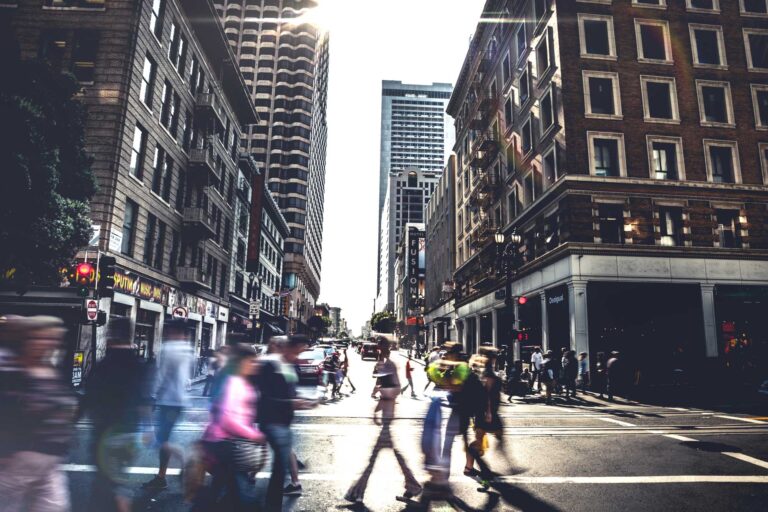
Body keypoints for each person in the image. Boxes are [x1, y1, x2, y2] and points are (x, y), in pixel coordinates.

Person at [0, 316, 77, 512]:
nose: (50, 344)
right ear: (26, 340)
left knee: (55, 507)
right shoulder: (12, 371)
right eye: (43, 338)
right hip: (20, 461)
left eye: (54, 339)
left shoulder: (51, 369)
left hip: (50, 460)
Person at [82, 317, 152, 512]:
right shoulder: (139, 364)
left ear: (110, 335)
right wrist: (148, 428)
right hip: (129, 431)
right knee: (115, 478)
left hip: (105, 432)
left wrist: (74, 420)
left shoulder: (103, 364)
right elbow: (144, 399)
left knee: (109, 483)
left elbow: (89, 396)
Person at [345, 339, 421, 504]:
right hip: (386, 414)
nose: (377, 350)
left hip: (388, 414)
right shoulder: (384, 364)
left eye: (380, 347)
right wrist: (377, 402)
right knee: (389, 454)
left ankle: (357, 492)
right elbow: (382, 385)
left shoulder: (389, 365)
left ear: (383, 348)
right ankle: (412, 485)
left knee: (375, 457)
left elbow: (395, 388)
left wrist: (379, 401)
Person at [195, 344, 265, 511]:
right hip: (226, 443)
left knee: (221, 490)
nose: (255, 365)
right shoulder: (234, 382)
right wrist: (254, 435)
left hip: (231, 443)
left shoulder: (242, 380)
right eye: (252, 361)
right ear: (241, 362)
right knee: (242, 496)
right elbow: (227, 418)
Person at [258, 335, 313, 509]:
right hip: (272, 422)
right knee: (279, 468)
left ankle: (271, 504)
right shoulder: (270, 365)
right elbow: (265, 398)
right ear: (287, 348)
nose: (299, 355)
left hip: (283, 423)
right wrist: (291, 403)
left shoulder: (289, 366)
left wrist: (304, 400)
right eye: (298, 351)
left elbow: (289, 392)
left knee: (279, 468)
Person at [143, 318, 194, 490]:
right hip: (179, 401)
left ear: (175, 331)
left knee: (159, 440)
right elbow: (186, 378)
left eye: (170, 329)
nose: (167, 332)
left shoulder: (169, 348)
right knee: (162, 439)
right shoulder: (188, 349)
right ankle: (161, 476)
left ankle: (184, 460)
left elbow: (162, 375)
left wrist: (152, 396)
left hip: (168, 401)